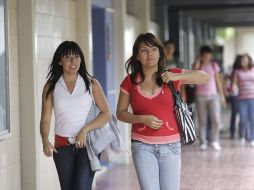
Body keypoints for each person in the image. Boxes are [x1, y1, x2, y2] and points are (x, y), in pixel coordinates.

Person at [116, 33, 209, 190]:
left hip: (171, 145)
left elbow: (204, 77)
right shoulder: (129, 81)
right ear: (137, 56)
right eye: (144, 50)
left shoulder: (171, 74)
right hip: (142, 146)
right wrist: (141, 119)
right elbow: (120, 113)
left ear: (160, 53)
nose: (149, 54)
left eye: (153, 49)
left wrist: (176, 75)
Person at [39, 41, 111, 190]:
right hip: (61, 147)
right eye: (67, 57)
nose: (73, 61)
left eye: (76, 56)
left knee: (81, 187)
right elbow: (45, 119)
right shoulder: (51, 86)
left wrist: (85, 130)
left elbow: (106, 114)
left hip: (86, 146)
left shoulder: (92, 84)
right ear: (59, 61)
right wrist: (45, 140)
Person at [193, 45, 226, 151]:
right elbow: (193, 73)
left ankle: (214, 140)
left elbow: (218, 80)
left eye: (209, 55)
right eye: (205, 55)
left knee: (216, 120)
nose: (208, 57)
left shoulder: (213, 65)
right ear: (201, 55)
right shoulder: (198, 65)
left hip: (213, 96)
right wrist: (198, 60)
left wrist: (222, 96)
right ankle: (203, 142)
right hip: (200, 96)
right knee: (202, 120)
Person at [232, 54, 254, 146]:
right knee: (243, 119)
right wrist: (233, 87)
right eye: (242, 60)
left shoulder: (253, 70)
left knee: (252, 119)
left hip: (252, 98)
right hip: (242, 99)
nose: (243, 61)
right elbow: (234, 83)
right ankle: (242, 135)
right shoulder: (237, 72)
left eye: (245, 59)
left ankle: (252, 138)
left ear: (249, 60)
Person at [225, 55, 242, 139]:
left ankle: (240, 132)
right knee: (235, 113)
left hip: (241, 94)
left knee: (240, 114)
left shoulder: (243, 70)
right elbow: (227, 79)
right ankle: (233, 132)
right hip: (234, 94)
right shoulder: (232, 70)